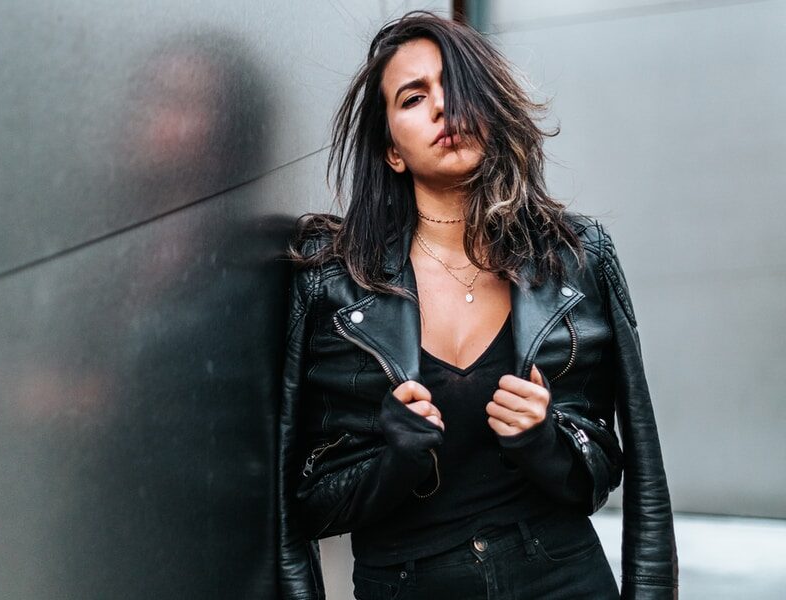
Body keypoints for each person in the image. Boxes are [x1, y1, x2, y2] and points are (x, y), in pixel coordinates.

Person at [279, 11, 678, 600]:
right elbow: (301, 506)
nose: (442, 108)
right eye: (414, 98)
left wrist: (544, 441)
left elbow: (625, 467)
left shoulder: (575, 256)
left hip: (564, 575)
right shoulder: (333, 281)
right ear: (392, 149)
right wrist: (393, 460)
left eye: (456, 87)